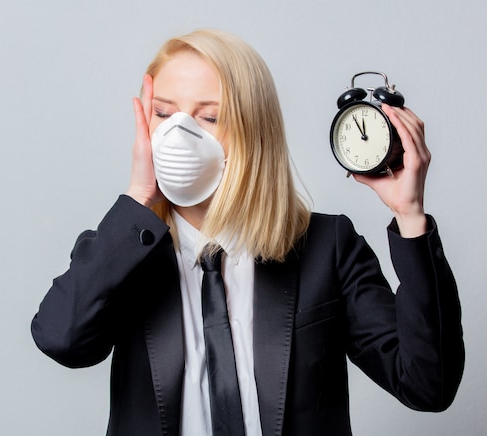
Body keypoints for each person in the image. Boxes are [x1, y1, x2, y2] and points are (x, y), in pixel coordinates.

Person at [31, 29, 464, 436]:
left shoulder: (327, 248)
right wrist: (139, 197)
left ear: (254, 132)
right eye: (163, 113)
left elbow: (428, 385)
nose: (178, 134)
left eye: (211, 117)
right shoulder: (120, 252)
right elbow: (61, 341)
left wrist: (410, 217)